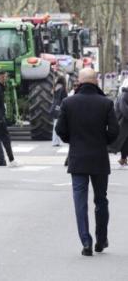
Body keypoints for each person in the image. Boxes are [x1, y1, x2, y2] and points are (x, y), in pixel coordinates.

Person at [55, 68, 119, 256]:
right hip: (99, 158)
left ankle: (86, 241)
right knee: (101, 200)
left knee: (80, 202)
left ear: (79, 83)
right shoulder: (106, 103)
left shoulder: (68, 102)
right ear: (96, 82)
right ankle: (101, 239)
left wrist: (72, 140)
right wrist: (102, 141)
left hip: (78, 159)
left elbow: (60, 129)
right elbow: (114, 131)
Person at [111, 79, 128, 169]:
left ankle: (123, 159)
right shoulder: (125, 95)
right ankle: (123, 159)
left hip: (124, 123)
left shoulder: (124, 95)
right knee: (121, 142)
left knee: (124, 142)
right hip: (123, 123)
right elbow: (124, 109)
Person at [51, 77, 68, 146]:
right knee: (58, 125)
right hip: (60, 108)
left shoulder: (55, 88)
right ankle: (56, 141)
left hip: (55, 107)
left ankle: (55, 141)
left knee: (55, 124)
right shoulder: (62, 89)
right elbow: (64, 99)